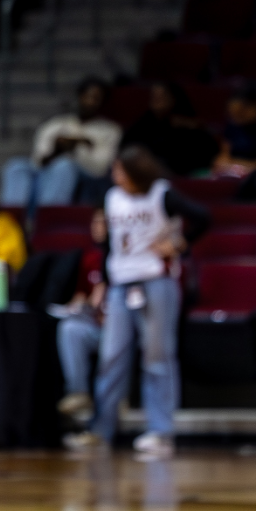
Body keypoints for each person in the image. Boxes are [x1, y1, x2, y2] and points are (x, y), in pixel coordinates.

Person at [69, 146, 209, 459]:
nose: (115, 176)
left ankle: (160, 433)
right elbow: (108, 245)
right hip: (121, 284)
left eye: (120, 171)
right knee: (111, 357)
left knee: (157, 357)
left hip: (156, 281)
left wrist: (178, 244)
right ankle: (99, 430)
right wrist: (104, 280)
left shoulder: (162, 194)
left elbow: (203, 217)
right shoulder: (111, 198)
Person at [0, 78, 121, 208]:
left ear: (103, 102)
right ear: (80, 96)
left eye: (96, 98)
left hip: (86, 176)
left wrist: (77, 147)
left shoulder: (110, 130)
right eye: (87, 96)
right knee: (16, 166)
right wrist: (57, 150)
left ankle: (47, 219)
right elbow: (38, 160)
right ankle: (12, 219)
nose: (90, 102)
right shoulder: (56, 123)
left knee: (64, 166)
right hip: (47, 171)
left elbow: (100, 169)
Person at [53, 209, 109, 425]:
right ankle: (79, 394)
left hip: (124, 327)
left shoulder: (126, 255)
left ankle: (108, 411)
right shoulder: (91, 257)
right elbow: (82, 293)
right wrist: (77, 305)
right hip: (97, 324)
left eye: (102, 223)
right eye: (94, 223)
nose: (98, 227)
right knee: (70, 328)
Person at [122, 80, 218, 177]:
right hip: (145, 174)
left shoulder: (190, 125)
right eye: (154, 96)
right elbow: (128, 150)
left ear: (174, 98)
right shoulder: (142, 125)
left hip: (180, 175)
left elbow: (207, 152)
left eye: (162, 96)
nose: (157, 100)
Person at [213, 89, 256, 176]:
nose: (234, 117)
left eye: (239, 113)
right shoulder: (231, 126)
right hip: (233, 173)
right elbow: (222, 159)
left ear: (254, 108)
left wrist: (233, 164)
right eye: (231, 113)